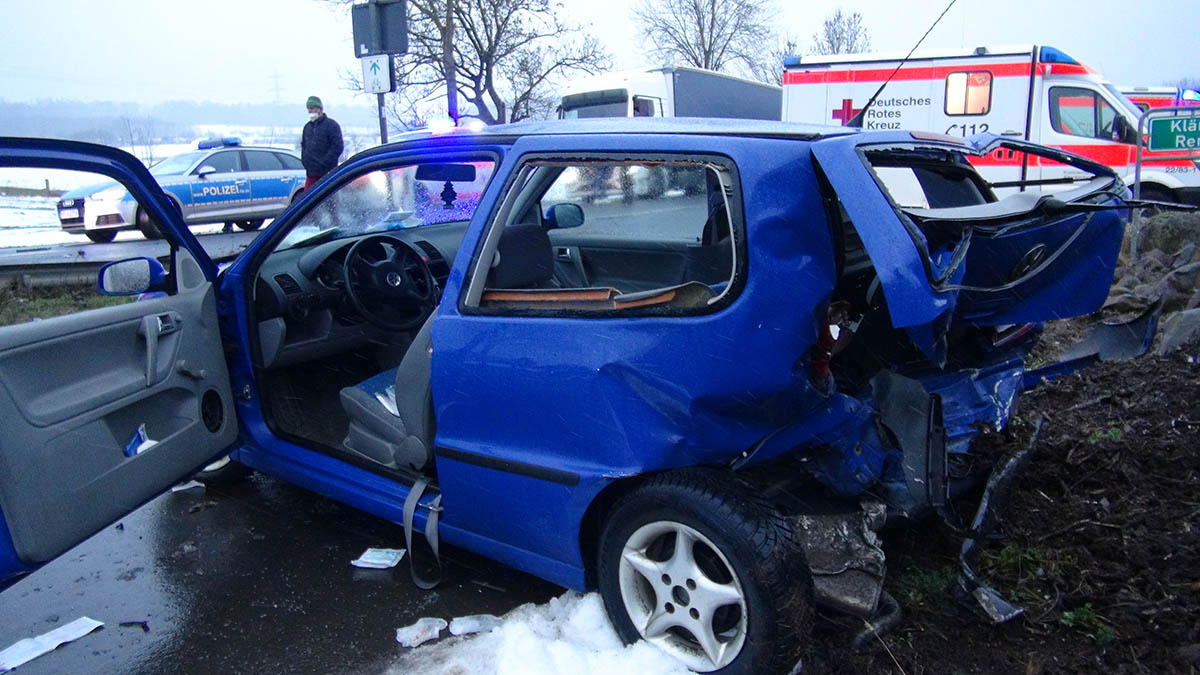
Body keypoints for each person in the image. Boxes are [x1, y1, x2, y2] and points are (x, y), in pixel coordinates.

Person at [300, 95, 344, 191]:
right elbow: (304, 146)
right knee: (309, 202)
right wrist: (305, 162)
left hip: (327, 173)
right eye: (308, 109)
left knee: (328, 200)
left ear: (319, 109)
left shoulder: (332, 126)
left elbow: (337, 147)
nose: (310, 111)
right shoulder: (307, 127)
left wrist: (323, 162)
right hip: (311, 173)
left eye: (312, 108)